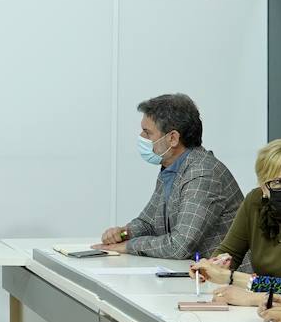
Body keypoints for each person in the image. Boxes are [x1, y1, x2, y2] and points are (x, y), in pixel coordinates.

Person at [187, 138, 281, 301]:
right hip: (265, 311)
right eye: (277, 182)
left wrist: (251, 298)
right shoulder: (255, 202)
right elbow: (230, 251)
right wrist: (213, 265)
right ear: (263, 186)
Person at [95, 93, 242, 259]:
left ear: (173, 138)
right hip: (196, 276)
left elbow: (180, 246)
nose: (141, 138)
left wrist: (128, 246)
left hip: (227, 280)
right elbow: (149, 222)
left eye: (147, 133)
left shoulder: (202, 174)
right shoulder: (171, 167)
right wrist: (124, 233)